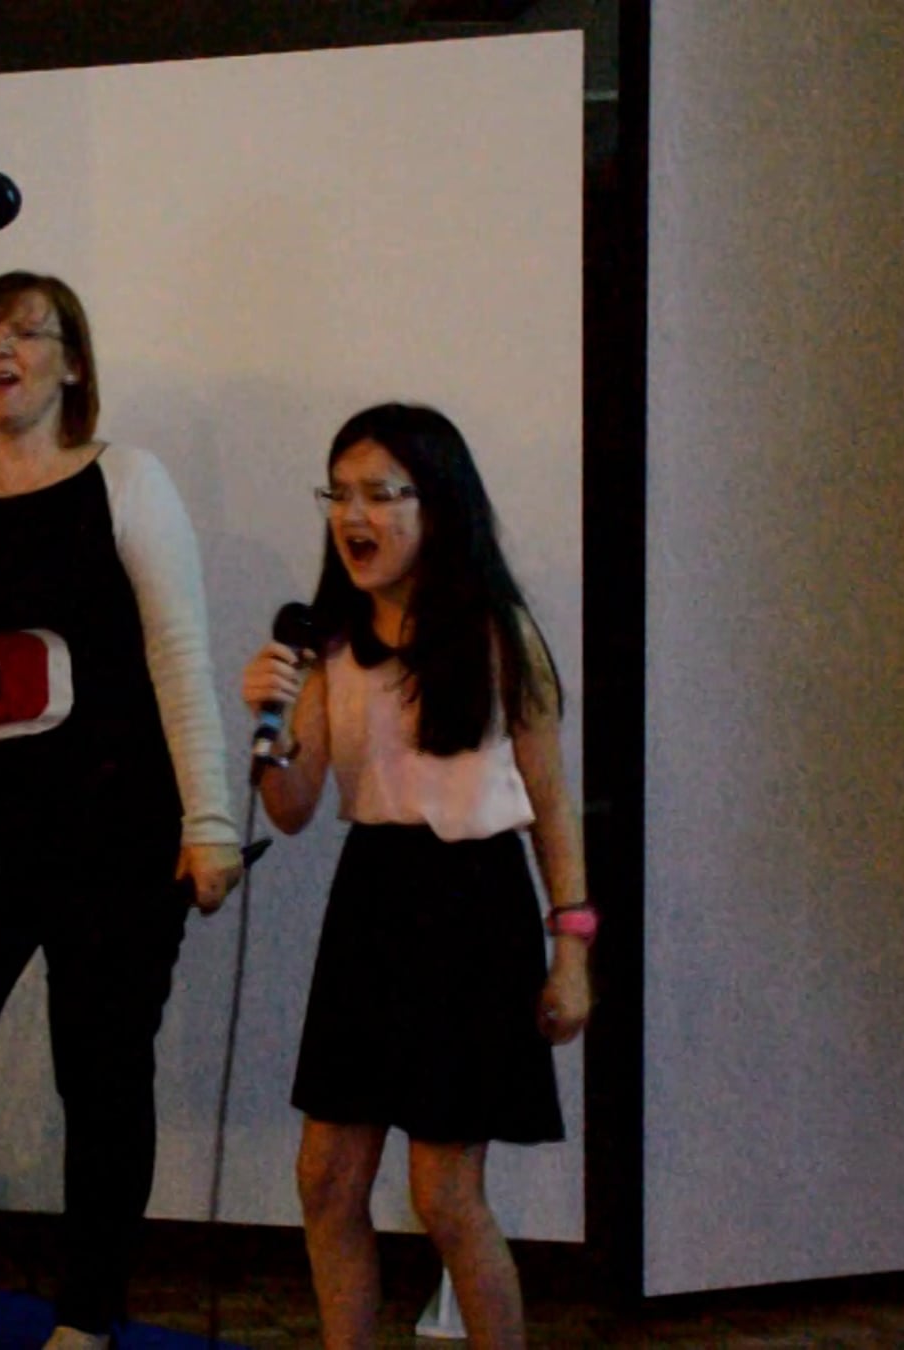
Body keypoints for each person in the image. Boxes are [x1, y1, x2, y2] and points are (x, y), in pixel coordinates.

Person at [0, 271, 243, 1350]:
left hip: (114, 831)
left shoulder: (128, 481)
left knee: (100, 1076)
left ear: (72, 363)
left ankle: (88, 1317)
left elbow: (180, 657)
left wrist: (209, 821)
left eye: (25, 331)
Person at [238, 403, 591, 1350]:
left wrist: (572, 952)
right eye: (338, 494)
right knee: (326, 1178)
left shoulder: (498, 633)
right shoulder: (329, 645)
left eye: (379, 494)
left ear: (437, 505)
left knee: (444, 1193)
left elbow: (552, 805)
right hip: (373, 896)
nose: (353, 515)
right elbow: (292, 809)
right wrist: (269, 727)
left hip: (475, 904)